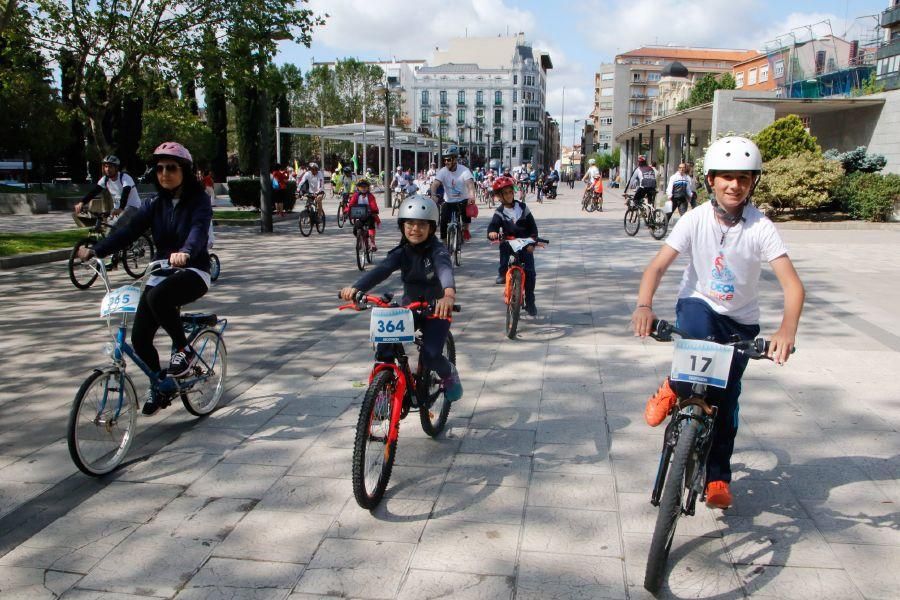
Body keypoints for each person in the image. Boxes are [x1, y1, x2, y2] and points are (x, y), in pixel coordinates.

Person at [631, 136, 805, 510]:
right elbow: (657, 267)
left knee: (726, 402)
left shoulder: (760, 227)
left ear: (753, 182)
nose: (734, 185)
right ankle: (673, 385)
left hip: (740, 323)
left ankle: (717, 478)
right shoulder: (694, 219)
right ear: (710, 179)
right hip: (699, 304)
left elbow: (793, 285)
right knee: (690, 352)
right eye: (726, 177)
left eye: (743, 178)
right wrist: (644, 305)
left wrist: (786, 330)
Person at [77, 142, 213, 416]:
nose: (164, 174)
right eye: (160, 168)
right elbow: (128, 232)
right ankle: (160, 385)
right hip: (160, 273)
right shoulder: (154, 204)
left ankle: (184, 350)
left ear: (185, 171)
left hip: (193, 271)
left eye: (171, 168)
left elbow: (198, 231)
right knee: (139, 340)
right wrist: (96, 250)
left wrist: (185, 252)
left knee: (157, 297)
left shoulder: (199, 201)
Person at [339, 195, 463, 402]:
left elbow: (444, 269)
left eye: (422, 224)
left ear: (432, 228)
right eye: (410, 223)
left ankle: (449, 372)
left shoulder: (437, 250)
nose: (415, 229)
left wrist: (448, 294)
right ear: (402, 226)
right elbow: (381, 270)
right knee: (385, 346)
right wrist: (355, 289)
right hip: (410, 309)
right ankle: (383, 390)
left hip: (437, 310)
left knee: (431, 356)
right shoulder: (401, 252)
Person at [487, 175, 540, 316]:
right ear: (499, 196)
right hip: (509, 243)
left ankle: (530, 301)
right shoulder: (499, 212)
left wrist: (532, 242)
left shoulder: (523, 208)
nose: (509, 195)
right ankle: (502, 272)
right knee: (503, 246)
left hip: (525, 243)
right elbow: (493, 225)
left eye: (511, 192)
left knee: (530, 273)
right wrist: (492, 232)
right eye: (505, 193)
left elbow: (533, 227)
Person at [74, 155, 141, 230]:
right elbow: (94, 192)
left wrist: (121, 208)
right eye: (106, 166)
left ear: (116, 168)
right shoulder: (105, 180)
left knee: (115, 227)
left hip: (132, 207)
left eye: (110, 167)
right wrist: (82, 202)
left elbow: (126, 192)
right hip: (117, 209)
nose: (107, 169)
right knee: (108, 228)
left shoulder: (124, 177)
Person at [430, 146, 476, 242]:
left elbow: (470, 185)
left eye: (449, 159)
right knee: (443, 220)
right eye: (445, 160)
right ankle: (444, 242)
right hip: (449, 201)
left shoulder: (464, 170)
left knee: (466, 209)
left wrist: (471, 196)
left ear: (455, 159)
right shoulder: (442, 171)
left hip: (462, 200)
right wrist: (433, 195)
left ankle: (465, 229)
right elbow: (435, 185)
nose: (446, 162)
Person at [344, 178, 380, 252]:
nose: (363, 188)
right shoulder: (355, 196)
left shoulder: (370, 196)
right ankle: (360, 239)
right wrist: (347, 211)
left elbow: (373, 205)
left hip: (369, 216)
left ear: (368, 188)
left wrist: (374, 210)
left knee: (371, 225)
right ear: (358, 188)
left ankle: (372, 243)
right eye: (361, 187)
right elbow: (350, 205)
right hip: (359, 217)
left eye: (365, 187)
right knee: (355, 230)